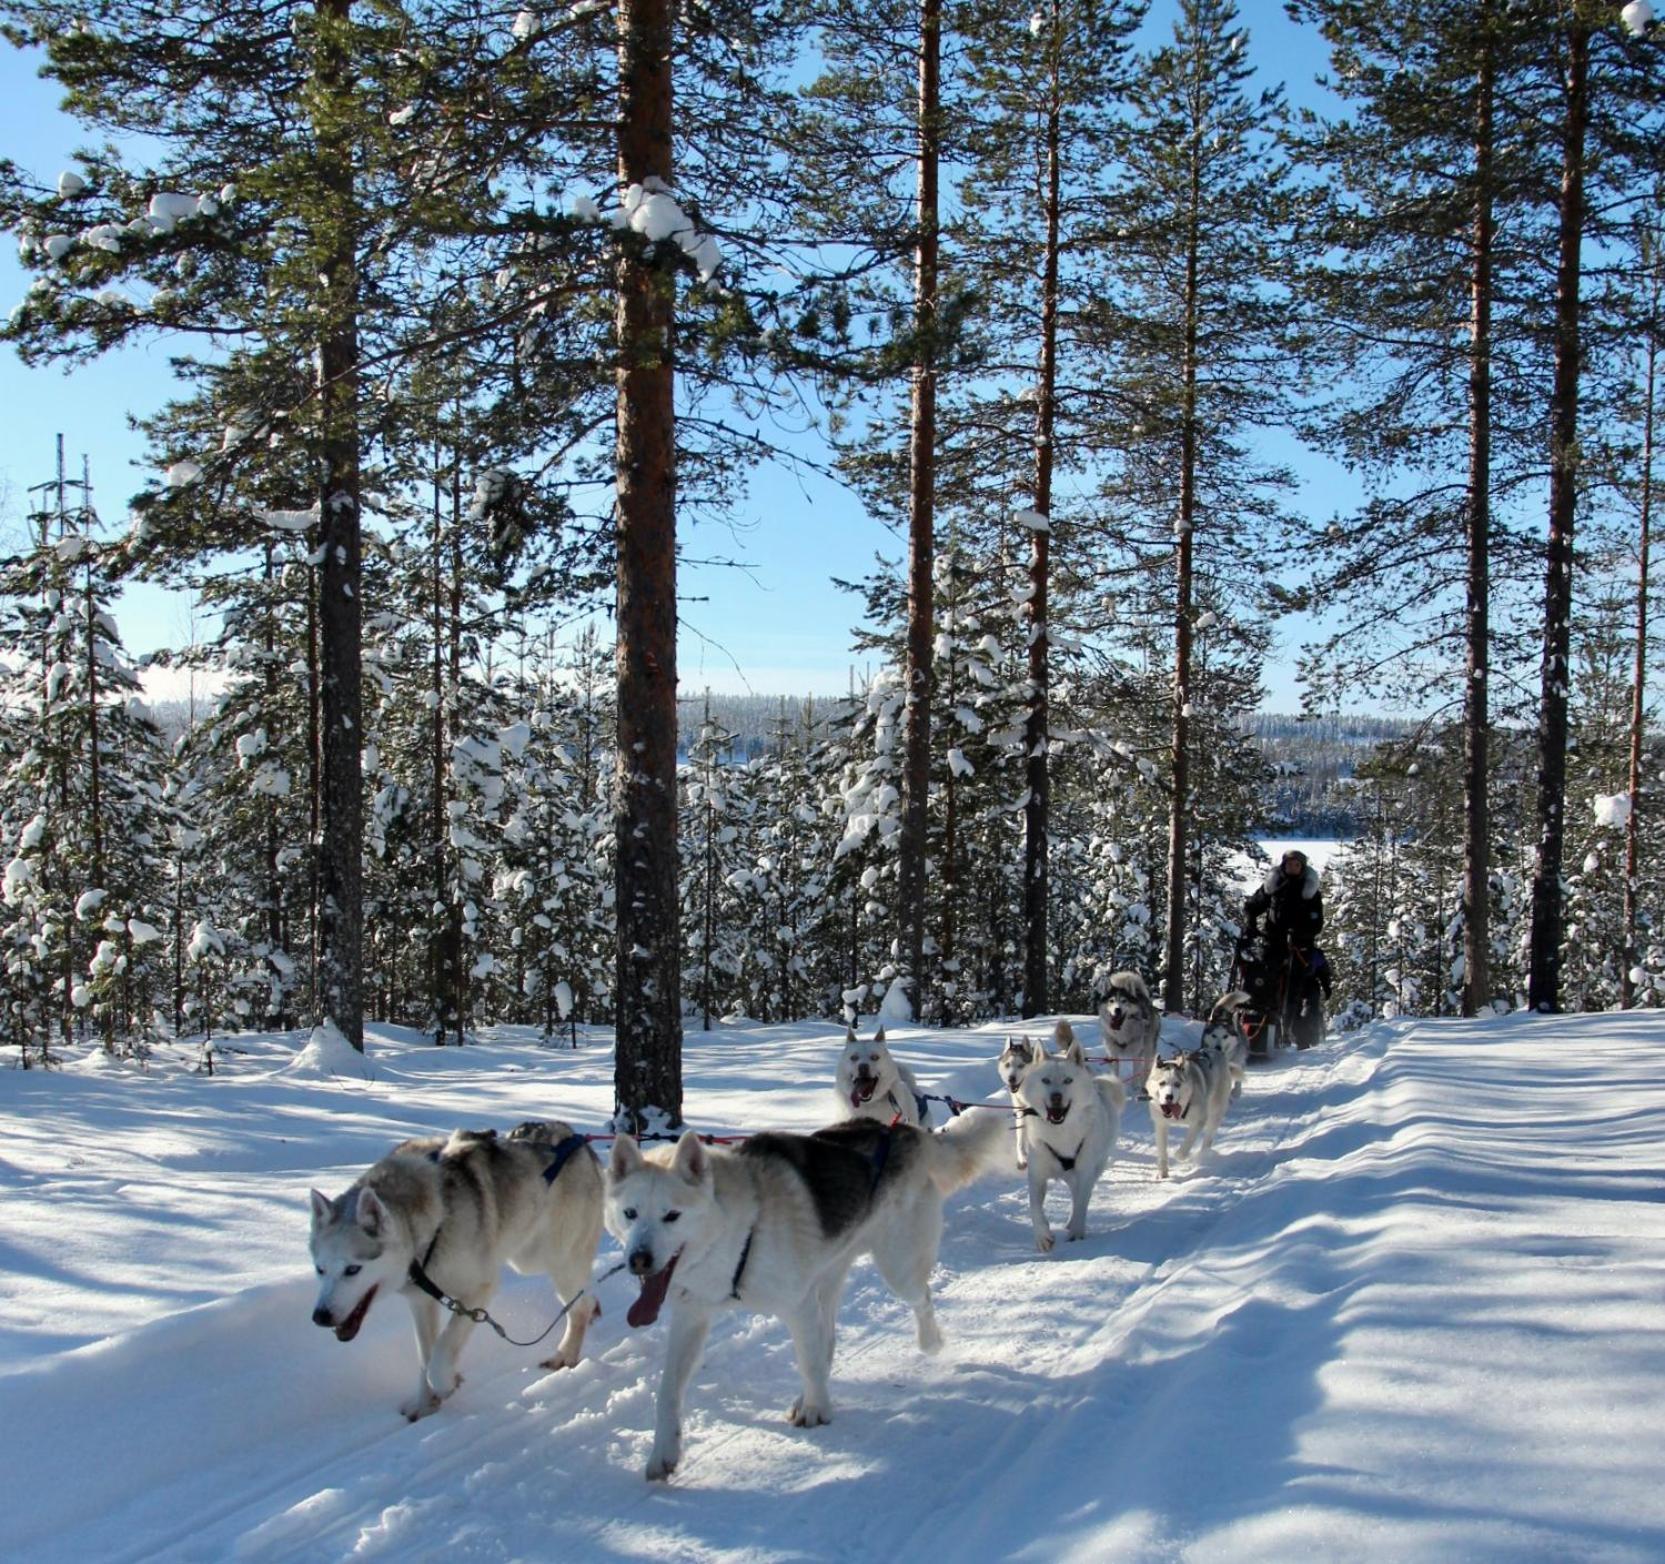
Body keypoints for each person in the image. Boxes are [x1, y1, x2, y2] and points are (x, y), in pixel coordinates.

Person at [1240, 848, 1329, 1042]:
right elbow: (1253, 905)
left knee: (1297, 987)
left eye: (1296, 864)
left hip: (1300, 947)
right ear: (1283, 865)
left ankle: (1297, 1035)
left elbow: (1317, 922)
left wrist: (1301, 933)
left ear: (1302, 867)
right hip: (1274, 942)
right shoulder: (1273, 884)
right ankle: (1262, 1029)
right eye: (1289, 864)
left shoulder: (1310, 890)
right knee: (1264, 983)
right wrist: (1251, 922)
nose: (1292, 867)